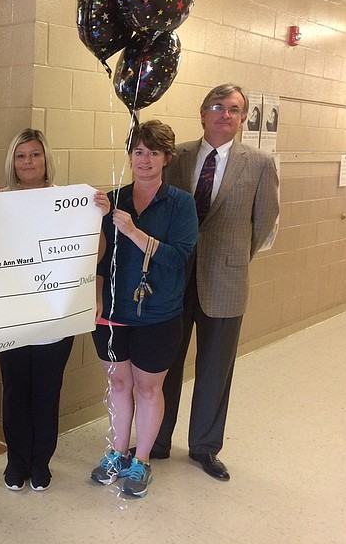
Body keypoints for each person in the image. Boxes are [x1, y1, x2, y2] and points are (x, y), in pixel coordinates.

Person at [155, 84, 280, 481]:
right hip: (174, 279)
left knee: (215, 368)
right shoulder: (178, 158)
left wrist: (232, 260)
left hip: (225, 280)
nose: (224, 114)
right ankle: (156, 440)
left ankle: (205, 447)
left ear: (243, 119)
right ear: (202, 113)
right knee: (164, 363)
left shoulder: (259, 164)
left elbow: (262, 225)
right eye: (216, 107)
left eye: (234, 109)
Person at [90, 120, 198, 498]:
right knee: (118, 383)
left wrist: (136, 233)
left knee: (147, 389)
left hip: (158, 315)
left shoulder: (181, 204)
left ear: (167, 158)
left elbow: (178, 258)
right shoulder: (114, 200)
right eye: (138, 151)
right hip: (113, 313)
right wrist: (97, 218)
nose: (145, 159)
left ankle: (143, 459)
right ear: (130, 156)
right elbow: (100, 259)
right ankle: (118, 454)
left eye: (154, 152)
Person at [0, 128, 108, 492]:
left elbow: (98, 252)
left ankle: (40, 463)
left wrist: (98, 217)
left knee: (46, 392)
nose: (28, 162)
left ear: (46, 160)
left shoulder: (70, 199)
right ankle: (16, 462)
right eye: (21, 155)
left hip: (54, 317)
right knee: (15, 393)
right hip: (11, 318)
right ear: (13, 162)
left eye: (35, 154)